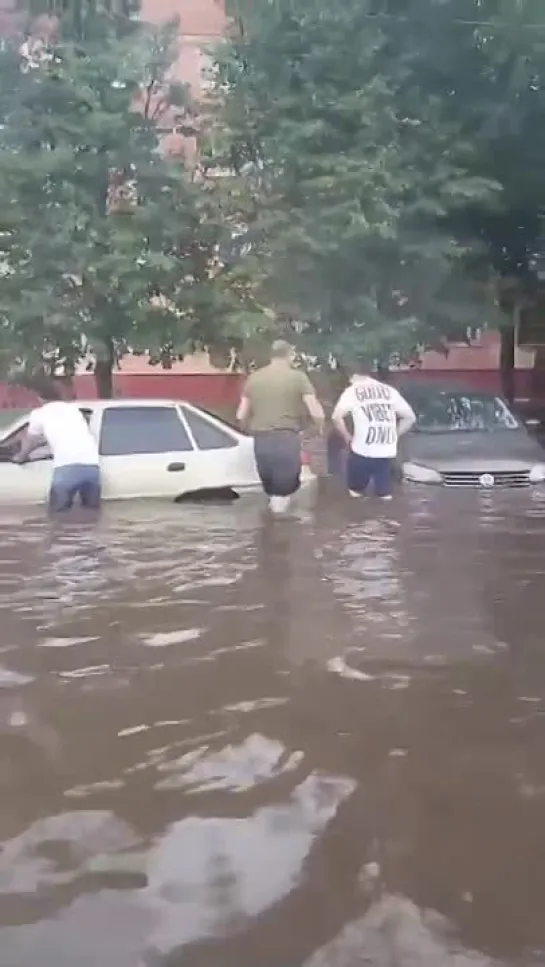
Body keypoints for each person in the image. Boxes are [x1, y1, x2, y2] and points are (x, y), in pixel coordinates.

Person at [236, 340, 325, 513]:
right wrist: (312, 431)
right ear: (289, 355)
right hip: (286, 439)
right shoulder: (298, 377)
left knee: (272, 492)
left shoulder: (254, 378)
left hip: (261, 441)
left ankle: (271, 531)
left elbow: (240, 416)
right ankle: (282, 531)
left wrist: (251, 431)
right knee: (284, 491)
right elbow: (318, 414)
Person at [331, 361, 416, 500]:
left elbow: (336, 417)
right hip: (386, 451)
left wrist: (347, 437)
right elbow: (410, 418)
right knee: (385, 495)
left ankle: (358, 513)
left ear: (352, 376)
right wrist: (394, 434)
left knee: (355, 493)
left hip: (362, 449)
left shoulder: (353, 390)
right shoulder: (389, 390)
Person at [14, 398, 101, 511]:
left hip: (66, 468)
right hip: (92, 466)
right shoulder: (74, 409)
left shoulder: (40, 413)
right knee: (92, 512)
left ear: (40, 399)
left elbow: (31, 440)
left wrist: (21, 456)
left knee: (58, 514)